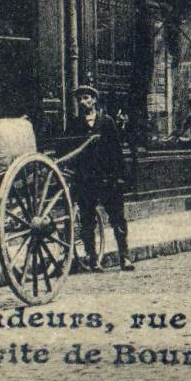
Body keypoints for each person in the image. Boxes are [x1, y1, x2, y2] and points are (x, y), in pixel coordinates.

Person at [67, 81, 135, 272]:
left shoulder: (107, 122)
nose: (82, 102)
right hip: (85, 181)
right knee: (87, 222)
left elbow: (116, 151)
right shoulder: (74, 124)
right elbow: (68, 150)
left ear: (94, 100)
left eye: (86, 98)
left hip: (108, 179)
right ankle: (93, 259)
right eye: (80, 99)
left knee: (117, 219)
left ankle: (125, 257)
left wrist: (120, 176)